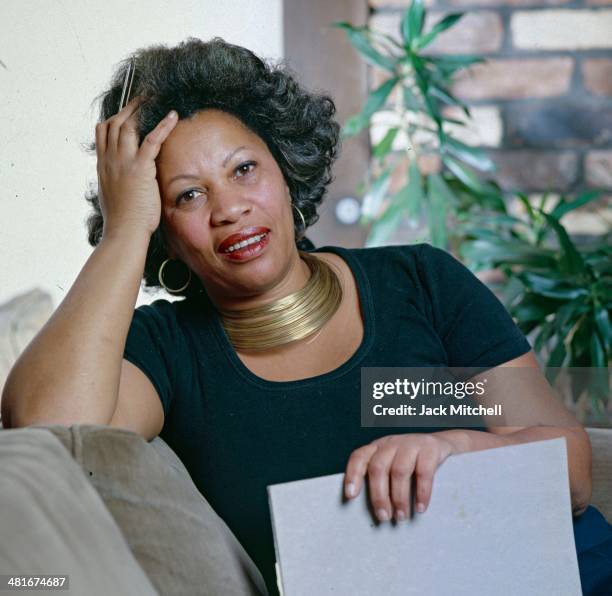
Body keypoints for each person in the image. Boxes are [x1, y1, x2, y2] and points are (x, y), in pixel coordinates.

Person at [2, 37, 610, 595]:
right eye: (188, 195)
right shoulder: (166, 350)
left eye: (244, 169)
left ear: (286, 172)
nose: (230, 209)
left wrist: (455, 447)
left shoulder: (419, 283)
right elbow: (48, 435)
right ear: (164, 231)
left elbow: (573, 469)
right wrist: (122, 230)